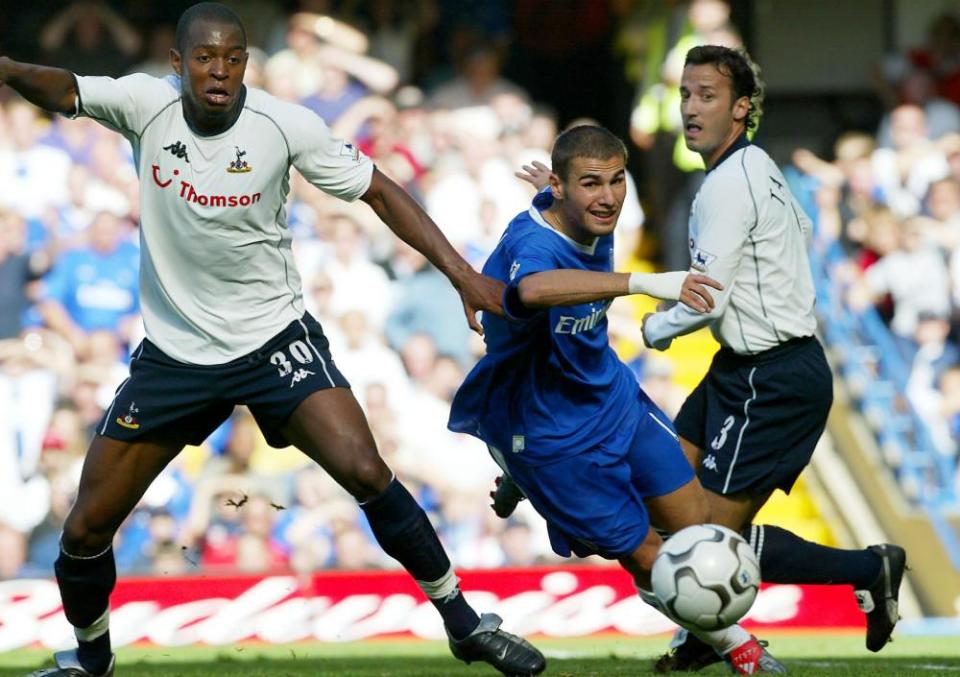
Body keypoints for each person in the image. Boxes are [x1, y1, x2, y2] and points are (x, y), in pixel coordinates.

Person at [0, 4, 544, 677]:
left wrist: (463, 275)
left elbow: (380, 190)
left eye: (233, 57)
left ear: (247, 65)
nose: (220, 70)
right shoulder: (145, 105)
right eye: (205, 57)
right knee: (84, 529)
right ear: (178, 64)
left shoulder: (284, 125)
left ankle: (464, 623)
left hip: (273, 341)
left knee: (368, 471)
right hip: (177, 357)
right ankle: (91, 657)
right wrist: (5, 69)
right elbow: (65, 89)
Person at [448, 123, 786, 676]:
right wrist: (644, 282)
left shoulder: (585, 208)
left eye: (616, 180)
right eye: (590, 184)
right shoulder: (535, 243)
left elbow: (564, 197)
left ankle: (523, 482)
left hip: (610, 395)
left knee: (696, 522)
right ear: (562, 187)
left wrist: (557, 184)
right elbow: (531, 291)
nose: (608, 197)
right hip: (547, 427)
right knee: (644, 552)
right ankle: (736, 646)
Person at [639, 45, 908, 671]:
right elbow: (790, 242)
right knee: (668, 507)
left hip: (771, 375)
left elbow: (704, 301)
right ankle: (704, 632)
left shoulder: (727, 186)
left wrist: (655, 330)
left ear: (741, 108)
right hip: (741, 367)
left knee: (707, 531)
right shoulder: (759, 166)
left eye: (706, 96)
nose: (690, 108)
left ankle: (869, 567)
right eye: (684, 94)